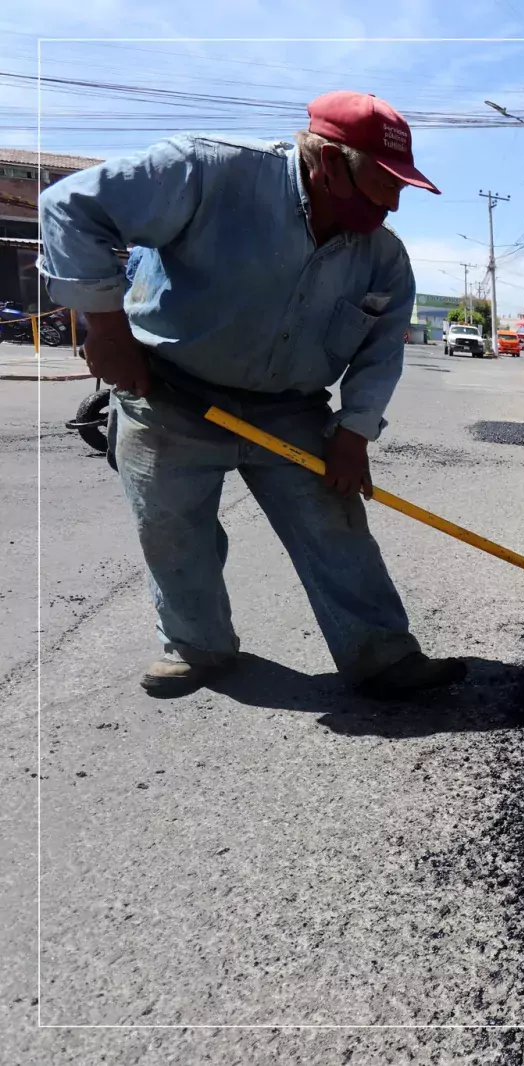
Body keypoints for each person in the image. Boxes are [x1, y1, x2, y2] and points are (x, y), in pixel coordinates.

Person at [37, 90, 467, 700]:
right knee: (172, 530)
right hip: (170, 396)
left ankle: (382, 656)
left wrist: (353, 433)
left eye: (401, 187)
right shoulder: (207, 172)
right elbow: (67, 205)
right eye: (382, 183)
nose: (393, 203)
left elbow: (380, 352)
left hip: (288, 410)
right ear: (324, 160)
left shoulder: (383, 259)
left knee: (335, 524)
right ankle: (196, 645)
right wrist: (106, 328)